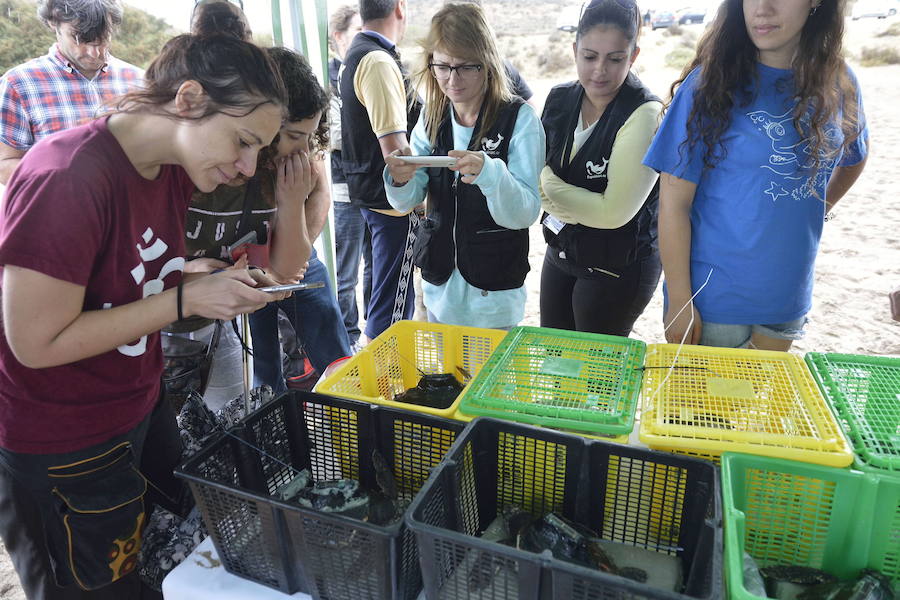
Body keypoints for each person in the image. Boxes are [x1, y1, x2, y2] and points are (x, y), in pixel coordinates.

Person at [0, 34, 287, 599]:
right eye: (243, 141)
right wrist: (183, 302)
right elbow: (34, 341)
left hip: (137, 404)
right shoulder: (68, 176)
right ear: (187, 99)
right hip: (63, 441)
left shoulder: (171, 170)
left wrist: (191, 276)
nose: (247, 166)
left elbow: (120, 276)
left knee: (156, 571)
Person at [644, 0, 868, 350]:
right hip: (713, 301)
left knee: (756, 406)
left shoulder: (839, 81)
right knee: (701, 407)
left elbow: (855, 156)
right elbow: (673, 205)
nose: (762, 7)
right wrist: (680, 301)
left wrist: (818, 205)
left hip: (786, 300)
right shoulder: (707, 86)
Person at [384, 2, 544, 329]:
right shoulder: (432, 115)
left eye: (465, 67)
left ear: (487, 63)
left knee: (490, 380)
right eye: (442, 66)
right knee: (444, 378)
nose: (452, 80)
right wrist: (401, 179)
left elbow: (526, 212)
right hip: (439, 287)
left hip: (494, 294)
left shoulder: (520, 120)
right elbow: (408, 200)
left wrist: (490, 174)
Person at [539, 0, 662, 337]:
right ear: (574, 49)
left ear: (634, 55)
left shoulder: (645, 114)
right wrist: (570, 202)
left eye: (616, 59)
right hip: (562, 249)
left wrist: (546, 187)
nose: (600, 71)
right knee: (555, 357)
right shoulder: (559, 100)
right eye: (590, 57)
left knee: (597, 374)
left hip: (618, 265)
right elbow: (527, 174)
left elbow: (613, 214)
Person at [340, 0, 421, 343]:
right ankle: (385, 387)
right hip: (393, 202)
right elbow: (397, 153)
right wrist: (420, 197)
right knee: (394, 306)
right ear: (400, 7)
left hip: (372, 195)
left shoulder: (357, 54)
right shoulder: (377, 61)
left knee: (381, 294)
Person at [0, 0, 142, 185]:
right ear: (54, 22)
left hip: (126, 210)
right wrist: (63, 184)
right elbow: (5, 163)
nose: (94, 53)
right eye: (79, 39)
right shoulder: (19, 83)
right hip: (56, 210)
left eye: (102, 39)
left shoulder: (141, 81)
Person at [328, 4, 371, 350]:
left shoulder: (369, 72)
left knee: (374, 266)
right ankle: (349, 340)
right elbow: (334, 135)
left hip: (374, 188)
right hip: (344, 191)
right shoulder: (329, 78)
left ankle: (374, 335)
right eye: (358, 30)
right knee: (346, 273)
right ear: (338, 37)